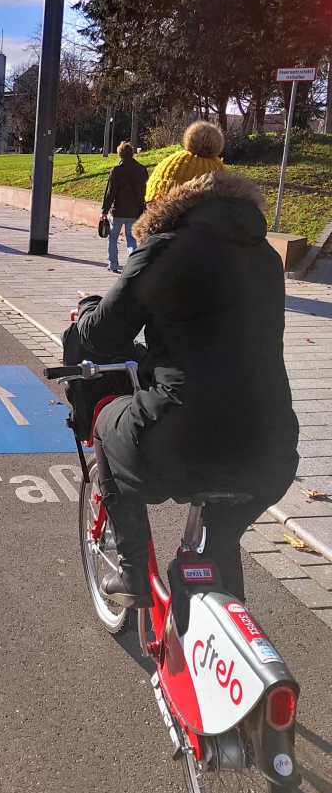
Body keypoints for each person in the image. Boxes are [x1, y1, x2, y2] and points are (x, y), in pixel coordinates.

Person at [74, 122, 298, 608]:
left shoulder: (164, 249)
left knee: (107, 422)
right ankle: (228, 638)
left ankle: (132, 570)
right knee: (220, 545)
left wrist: (89, 307)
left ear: (167, 200)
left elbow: (103, 335)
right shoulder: (262, 255)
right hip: (272, 445)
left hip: (182, 435)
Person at [100, 141, 148, 272]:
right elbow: (145, 191)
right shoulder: (142, 170)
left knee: (113, 237)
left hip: (118, 211)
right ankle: (133, 266)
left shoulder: (116, 171)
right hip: (134, 211)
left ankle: (113, 264)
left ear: (119, 154)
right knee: (132, 239)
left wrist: (104, 211)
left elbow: (110, 193)